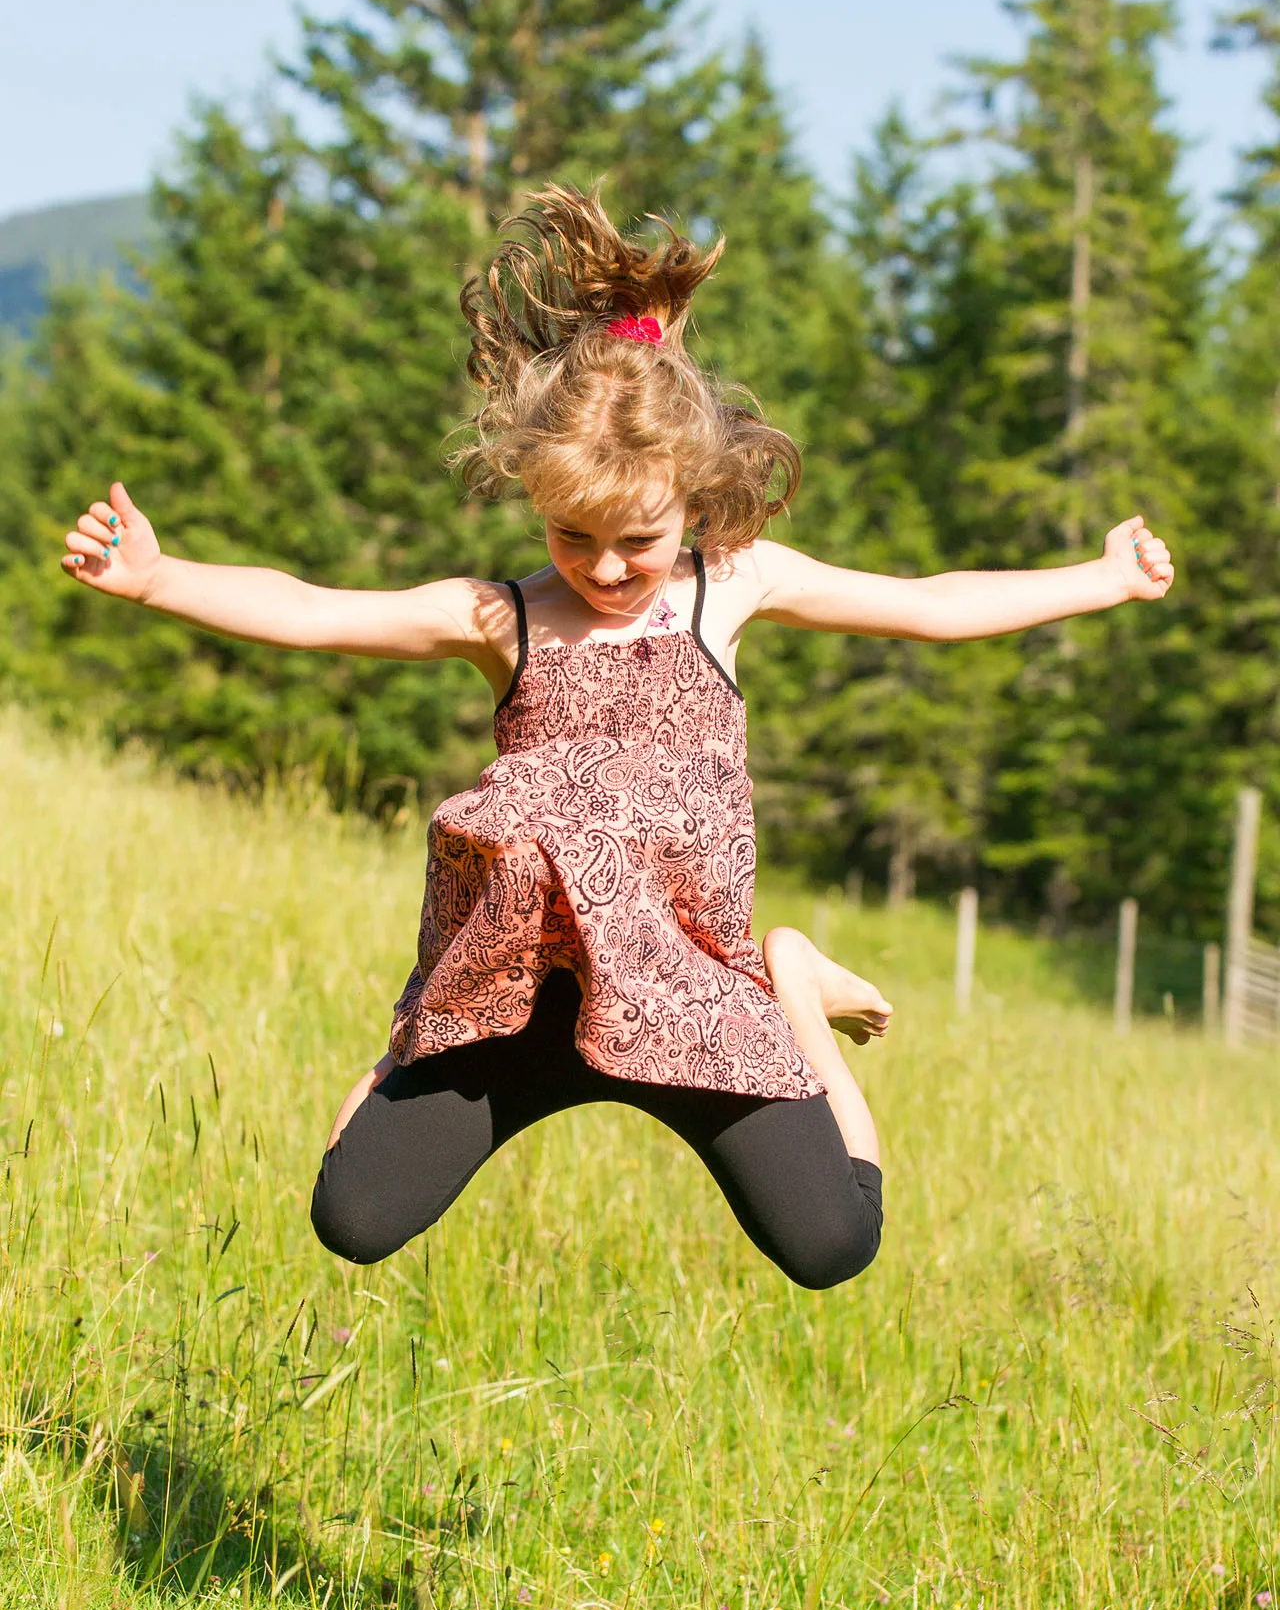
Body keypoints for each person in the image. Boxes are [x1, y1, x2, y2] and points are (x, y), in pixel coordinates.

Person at [60, 185, 1174, 1291]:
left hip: (691, 986)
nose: (601, 567)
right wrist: (157, 581)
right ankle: (421, 1024)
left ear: (689, 499)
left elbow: (930, 602)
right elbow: (309, 609)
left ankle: (790, 980)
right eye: (570, 534)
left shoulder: (729, 590)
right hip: (522, 995)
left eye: (634, 539)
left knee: (833, 1245)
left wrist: (1103, 578)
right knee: (350, 1216)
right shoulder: (498, 617)